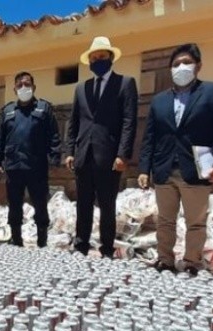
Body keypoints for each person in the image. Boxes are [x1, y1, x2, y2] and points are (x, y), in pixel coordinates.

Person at [138, 43, 213, 275]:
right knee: (165, 221)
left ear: (198, 66)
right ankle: (165, 260)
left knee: (195, 222)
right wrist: (144, 169)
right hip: (164, 169)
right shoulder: (159, 101)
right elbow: (149, 137)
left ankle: (191, 262)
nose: (181, 67)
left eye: (187, 62)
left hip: (196, 169)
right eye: (176, 64)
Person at [65, 36, 139, 257]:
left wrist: (123, 154)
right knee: (83, 203)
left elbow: (129, 121)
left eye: (102, 56)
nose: (98, 60)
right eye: (94, 58)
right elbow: (74, 121)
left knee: (107, 205)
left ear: (111, 58)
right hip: (83, 155)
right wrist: (69, 152)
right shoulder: (81, 88)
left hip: (109, 156)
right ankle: (81, 244)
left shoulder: (125, 83)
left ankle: (107, 248)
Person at [0, 71, 61, 247]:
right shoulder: (8, 111)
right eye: (20, 85)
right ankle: (16, 239)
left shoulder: (44, 108)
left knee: (40, 204)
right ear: (14, 89)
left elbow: (54, 135)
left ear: (34, 87)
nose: (24, 87)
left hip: (36, 166)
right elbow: (1, 139)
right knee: (14, 205)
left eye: (27, 84)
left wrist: (55, 158)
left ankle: (42, 240)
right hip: (14, 166)